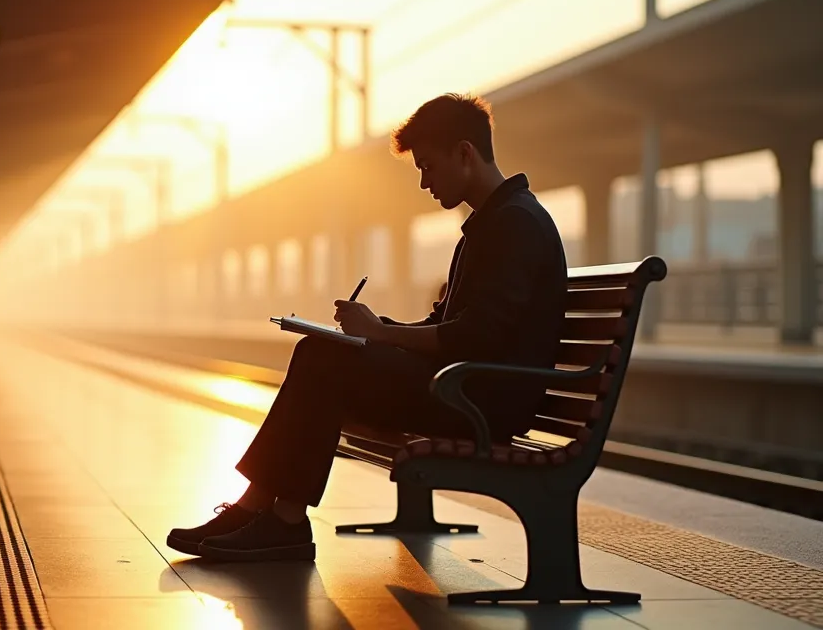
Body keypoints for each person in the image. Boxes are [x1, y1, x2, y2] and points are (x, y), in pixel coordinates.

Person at [167, 93, 568, 562]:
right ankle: (258, 510)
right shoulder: (495, 223)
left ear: (464, 153)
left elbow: (477, 336)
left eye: (428, 167)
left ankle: (282, 521)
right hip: (464, 388)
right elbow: (448, 327)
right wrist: (377, 328)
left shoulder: (515, 225)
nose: (424, 182)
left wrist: (382, 336)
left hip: (484, 402)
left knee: (323, 359)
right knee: (322, 351)